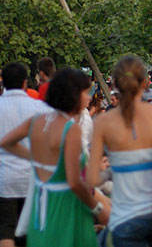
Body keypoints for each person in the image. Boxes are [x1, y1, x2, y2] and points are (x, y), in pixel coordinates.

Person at [88, 56, 152, 246]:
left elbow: (93, 179)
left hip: (124, 219)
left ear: (115, 84)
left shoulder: (104, 122)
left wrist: (115, 170)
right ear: (145, 83)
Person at [0, 68, 109, 247]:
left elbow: (6, 142)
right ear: (74, 94)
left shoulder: (37, 120)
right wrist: (98, 208)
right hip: (66, 207)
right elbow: (74, 182)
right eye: (86, 92)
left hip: (40, 204)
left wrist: (34, 158)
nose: (89, 97)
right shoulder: (70, 128)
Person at [0, 62, 54, 247]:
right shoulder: (40, 108)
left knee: (6, 230)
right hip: (33, 178)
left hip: (4, 178)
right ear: (25, 82)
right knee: (32, 232)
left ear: (3, 82)